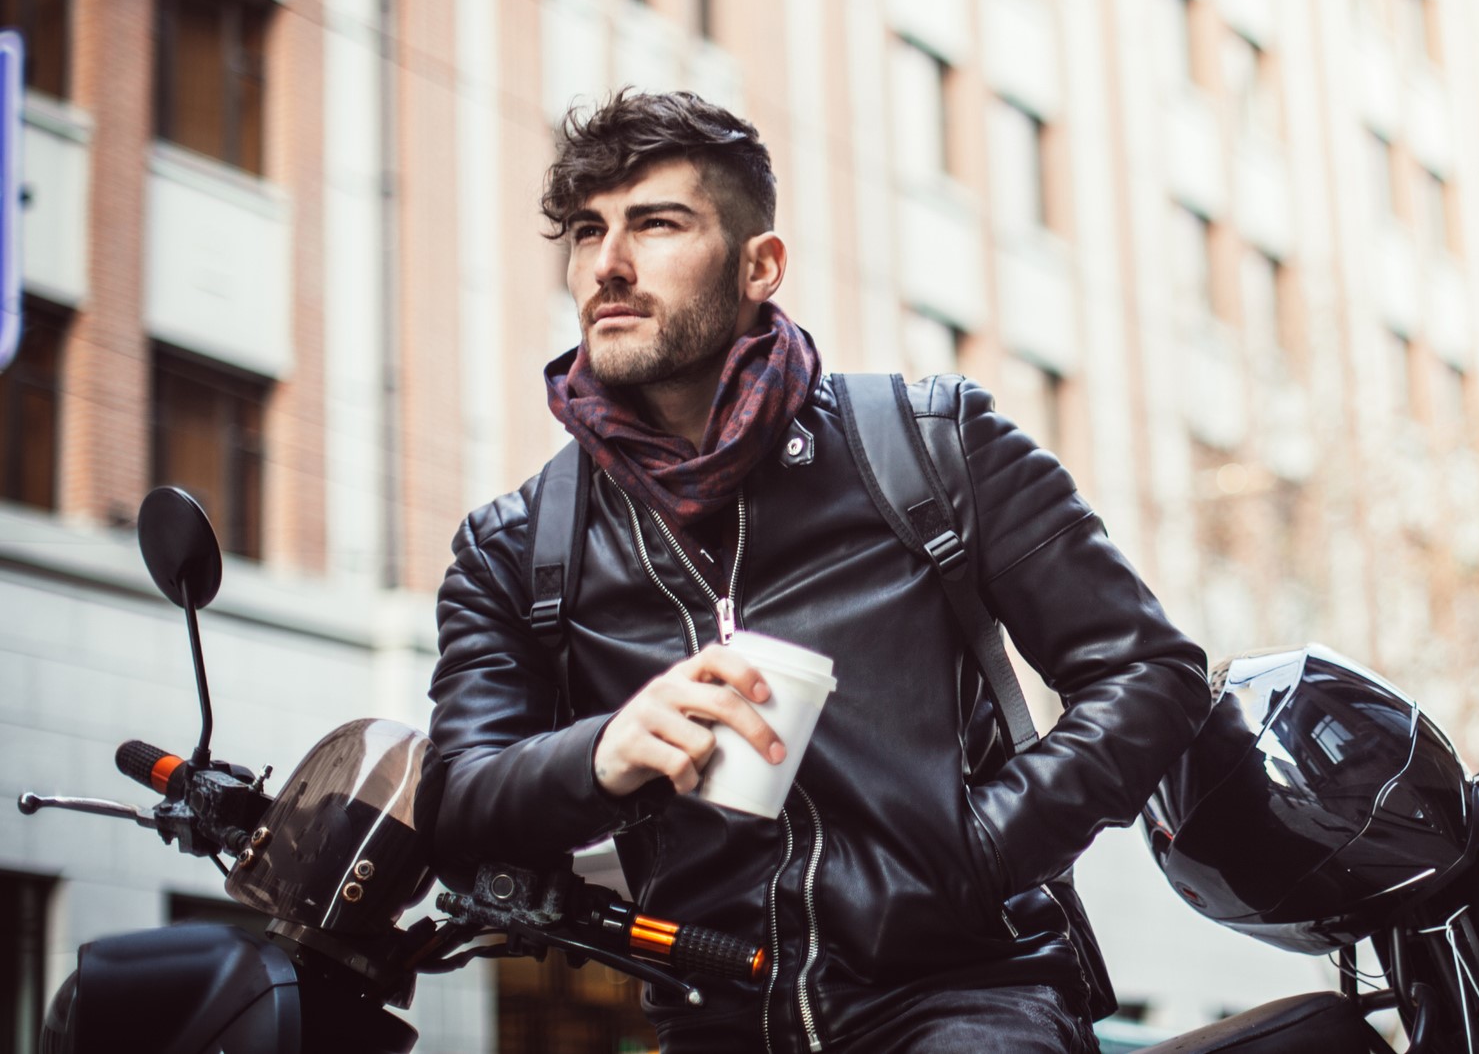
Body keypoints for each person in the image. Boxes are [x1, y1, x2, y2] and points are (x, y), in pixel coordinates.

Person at [429, 90, 1210, 1054]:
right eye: (588, 232)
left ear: (761, 265)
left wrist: (973, 853)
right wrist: (602, 752)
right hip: (712, 1020)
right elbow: (458, 801)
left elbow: (1151, 672)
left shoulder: (933, 446)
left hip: (966, 997)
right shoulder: (515, 546)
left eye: (656, 224)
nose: (607, 265)